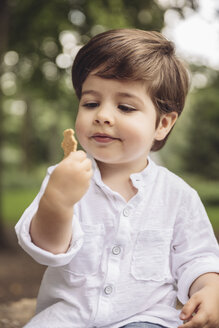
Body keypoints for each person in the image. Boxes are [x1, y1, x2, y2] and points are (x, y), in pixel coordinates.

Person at [15, 29, 219, 328]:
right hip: (69, 318)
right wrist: (58, 202)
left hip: (145, 319)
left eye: (125, 107)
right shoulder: (64, 179)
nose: (103, 115)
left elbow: (196, 256)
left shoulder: (177, 195)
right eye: (90, 103)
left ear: (162, 124)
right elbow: (48, 249)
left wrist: (209, 288)